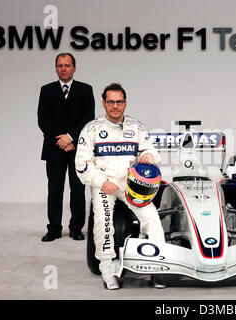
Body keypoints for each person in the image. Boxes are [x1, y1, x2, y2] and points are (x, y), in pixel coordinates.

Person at [75, 83, 165, 290]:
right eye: (110, 102)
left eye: (119, 102)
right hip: (104, 185)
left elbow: (151, 152)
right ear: (103, 103)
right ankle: (107, 270)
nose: (115, 106)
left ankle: (158, 267)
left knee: (152, 217)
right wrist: (101, 182)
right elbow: (81, 165)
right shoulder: (91, 129)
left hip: (131, 185)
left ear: (125, 103)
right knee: (103, 222)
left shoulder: (136, 127)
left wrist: (149, 156)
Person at [37, 53, 95, 242]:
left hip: (78, 148)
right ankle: (53, 229)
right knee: (54, 189)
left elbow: (88, 118)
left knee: (77, 189)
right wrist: (60, 140)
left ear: (74, 68)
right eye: (60, 65)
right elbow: (42, 119)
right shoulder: (46, 90)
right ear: (56, 68)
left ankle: (76, 228)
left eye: (67, 65)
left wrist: (70, 137)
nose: (63, 68)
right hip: (54, 149)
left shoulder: (86, 90)